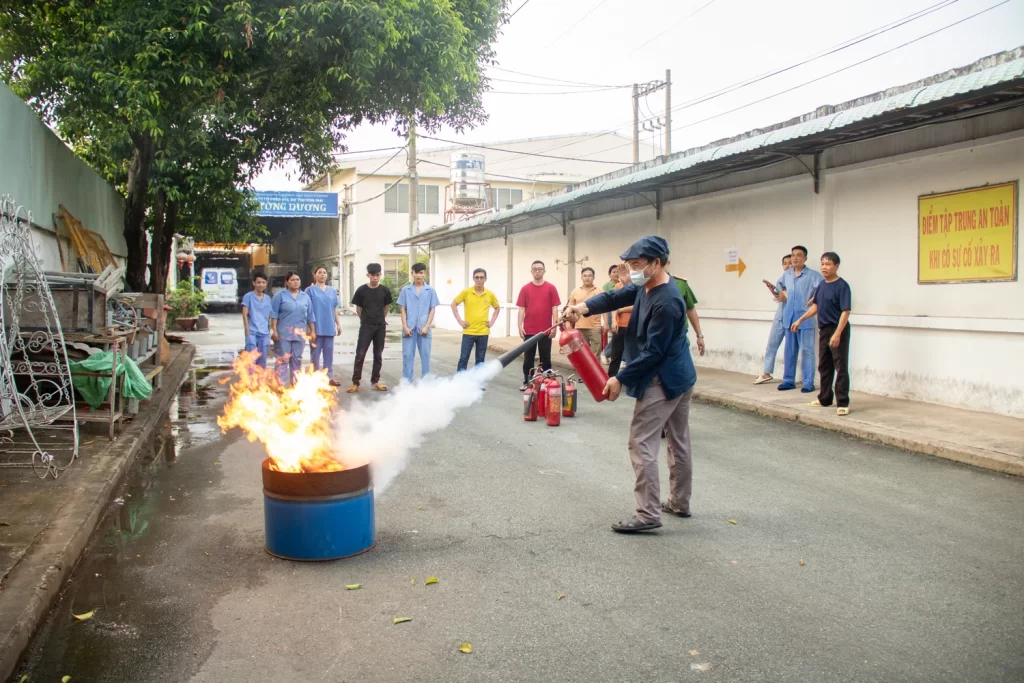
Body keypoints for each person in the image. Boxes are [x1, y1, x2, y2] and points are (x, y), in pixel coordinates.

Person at [565, 236, 697, 534]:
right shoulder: (648, 286)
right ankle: (679, 502)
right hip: (681, 375)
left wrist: (619, 377)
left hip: (662, 380)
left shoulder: (667, 301)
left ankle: (648, 513)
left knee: (641, 442)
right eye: (631, 265)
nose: (633, 270)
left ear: (658, 263)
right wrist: (582, 307)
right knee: (678, 440)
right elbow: (615, 297)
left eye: (638, 265)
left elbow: (653, 353)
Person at [792, 252, 852, 416]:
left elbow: (845, 312)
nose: (824, 267)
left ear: (836, 266)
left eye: (828, 264)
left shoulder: (842, 286)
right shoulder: (822, 286)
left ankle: (843, 402)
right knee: (824, 366)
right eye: (822, 264)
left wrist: (837, 334)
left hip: (838, 329)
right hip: (824, 330)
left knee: (840, 367)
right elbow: (816, 307)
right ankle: (825, 398)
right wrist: (800, 320)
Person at [776, 245, 823, 393]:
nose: (795, 258)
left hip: (805, 319)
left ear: (805, 258)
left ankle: (808, 382)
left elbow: (824, 289)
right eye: (793, 255)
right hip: (789, 318)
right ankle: (788, 380)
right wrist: (783, 293)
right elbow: (779, 286)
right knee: (789, 351)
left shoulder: (813, 275)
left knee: (807, 351)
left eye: (798, 255)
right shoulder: (787, 274)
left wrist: (815, 298)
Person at [516, 260, 560, 389]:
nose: (537, 271)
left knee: (545, 357)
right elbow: (522, 309)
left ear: (544, 271)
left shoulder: (551, 288)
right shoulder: (525, 289)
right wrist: (520, 326)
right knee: (528, 358)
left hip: (546, 330)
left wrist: (554, 326)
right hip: (529, 330)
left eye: (540, 269)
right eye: (535, 269)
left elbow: (555, 308)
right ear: (531, 272)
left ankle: (547, 383)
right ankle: (527, 382)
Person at [349, 263, 392, 393]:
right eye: (372, 275)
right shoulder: (362, 290)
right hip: (366, 327)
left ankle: (375, 381)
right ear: (368, 275)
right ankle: (356, 382)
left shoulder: (385, 290)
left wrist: (379, 320)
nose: (375, 277)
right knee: (360, 354)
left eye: (377, 275)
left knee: (378, 355)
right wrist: (365, 320)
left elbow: (386, 308)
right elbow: (358, 308)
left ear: (380, 275)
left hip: (380, 327)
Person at [269, 271, 316, 387]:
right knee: (282, 360)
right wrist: (274, 330)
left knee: (297, 360)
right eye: (293, 280)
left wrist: (313, 331)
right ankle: (280, 387)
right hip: (283, 334)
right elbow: (274, 314)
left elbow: (310, 315)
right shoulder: (279, 296)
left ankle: (295, 386)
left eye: (297, 280)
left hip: (299, 334)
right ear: (287, 282)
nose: (296, 282)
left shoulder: (305, 297)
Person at [398, 262, 440, 383]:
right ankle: (406, 384)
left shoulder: (430, 290)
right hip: (409, 328)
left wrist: (427, 326)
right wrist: (405, 326)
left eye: (421, 273)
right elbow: (403, 309)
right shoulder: (406, 290)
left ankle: (425, 384)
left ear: (424, 274)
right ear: (412, 273)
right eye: (416, 273)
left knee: (425, 357)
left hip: (424, 329)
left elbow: (432, 309)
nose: (418, 275)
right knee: (407, 356)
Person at [452, 268, 501, 372]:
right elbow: (453, 304)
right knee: (464, 358)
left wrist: (492, 321)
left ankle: (478, 382)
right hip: (468, 331)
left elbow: (497, 307)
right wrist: (460, 321)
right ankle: (459, 382)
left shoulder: (490, 294)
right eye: (477, 277)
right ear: (473, 278)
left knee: (480, 360)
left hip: (483, 332)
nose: (479, 280)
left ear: (485, 279)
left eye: (481, 277)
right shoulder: (466, 292)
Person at [754, 254, 792, 384]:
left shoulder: (797, 279)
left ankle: (789, 376)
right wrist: (773, 290)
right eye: (785, 263)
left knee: (790, 348)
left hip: (792, 317)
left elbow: (794, 298)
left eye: (790, 263)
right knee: (771, 345)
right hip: (780, 315)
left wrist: (784, 296)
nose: (787, 265)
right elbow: (780, 298)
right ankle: (766, 372)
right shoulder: (781, 279)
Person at [305, 265, 342, 386]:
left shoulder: (332, 291)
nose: (322, 275)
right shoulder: (309, 291)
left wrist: (338, 324)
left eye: (324, 273)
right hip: (315, 328)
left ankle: (328, 377)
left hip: (329, 327)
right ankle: (314, 378)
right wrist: (309, 329)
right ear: (315, 275)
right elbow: (307, 310)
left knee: (329, 354)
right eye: (319, 272)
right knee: (315, 355)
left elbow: (334, 309)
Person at [669, 272, 706, 357]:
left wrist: (699, 336)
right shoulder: (644, 286)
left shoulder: (680, 284)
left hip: (678, 339)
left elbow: (690, 309)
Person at [567, 267, 602, 355]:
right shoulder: (575, 291)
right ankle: (581, 369)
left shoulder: (599, 291)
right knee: (582, 353)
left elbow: (604, 308)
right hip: (579, 327)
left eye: (590, 275)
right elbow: (569, 308)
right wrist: (568, 323)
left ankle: (594, 369)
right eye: (585, 276)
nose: (587, 278)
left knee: (595, 354)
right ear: (581, 277)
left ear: (593, 277)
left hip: (595, 327)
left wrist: (606, 324)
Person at [241, 272, 272, 369]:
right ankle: (250, 383)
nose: (261, 285)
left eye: (263, 282)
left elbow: (270, 316)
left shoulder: (268, 298)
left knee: (262, 361)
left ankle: (261, 383)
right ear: (254, 283)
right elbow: (245, 315)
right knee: (250, 360)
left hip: (264, 334)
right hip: (252, 333)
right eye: (258, 282)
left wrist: (269, 331)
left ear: (266, 284)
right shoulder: (248, 296)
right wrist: (247, 332)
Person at [607, 262, 632, 377]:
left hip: (633, 325)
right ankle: (611, 378)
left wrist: (621, 310)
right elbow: (614, 305)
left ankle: (632, 379)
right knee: (615, 354)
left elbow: (637, 306)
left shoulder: (640, 286)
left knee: (633, 354)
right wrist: (613, 321)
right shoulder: (618, 286)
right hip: (620, 325)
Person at [601, 264, 619, 361]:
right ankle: (606, 353)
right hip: (610, 312)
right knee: (616, 335)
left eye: (618, 272)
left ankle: (609, 354)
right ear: (609, 274)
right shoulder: (607, 285)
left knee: (618, 335)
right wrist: (606, 321)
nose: (616, 274)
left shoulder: (622, 284)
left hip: (620, 312)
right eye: (614, 272)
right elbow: (605, 302)